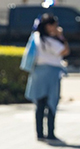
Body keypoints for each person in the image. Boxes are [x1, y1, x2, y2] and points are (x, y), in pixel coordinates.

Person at [24, 13, 69, 141]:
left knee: (39, 104)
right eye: (55, 25)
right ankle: (50, 133)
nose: (56, 28)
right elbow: (65, 51)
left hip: (37, 73)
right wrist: (60, 36)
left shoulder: (35, 38)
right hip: (52, 74)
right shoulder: (50, 41)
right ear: (49, 26)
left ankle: (39, 133)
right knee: (51, 104)